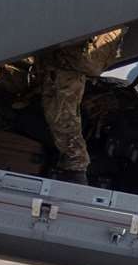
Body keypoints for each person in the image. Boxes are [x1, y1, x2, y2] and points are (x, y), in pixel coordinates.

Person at [38, 28, 126, 184]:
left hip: (69, 68)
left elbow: (90, 63)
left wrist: (55, 56)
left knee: (62, 114)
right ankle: (74, 167)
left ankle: (75, 168)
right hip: (67, 64)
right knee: (60, 113)